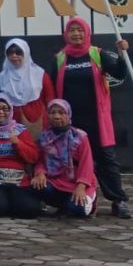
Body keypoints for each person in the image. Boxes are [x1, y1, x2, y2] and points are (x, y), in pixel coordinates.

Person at [53, 16, 130, 216]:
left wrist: (122, 54)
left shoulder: (98, 54)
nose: (76, 34)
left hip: (97, 120)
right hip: (71, 124)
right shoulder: (60, 58)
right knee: (73, 162)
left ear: (87, 32)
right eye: (72, 30)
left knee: (107, 162)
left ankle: (118, 201)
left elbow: (120, 74)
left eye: (80, 30)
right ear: (66, 35)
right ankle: (76, 199)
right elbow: (50, 87)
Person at [35, 98, 98, 217]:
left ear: (68, 115)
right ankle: (63, 205)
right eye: (52, 112)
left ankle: (90, 201)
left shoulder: (80, 137)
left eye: (61, 113)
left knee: (77, 210)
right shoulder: (44, 137)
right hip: (56, 181)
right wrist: (40, 173)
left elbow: (87, 164)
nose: (56, 116)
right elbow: (40, 160)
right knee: (39, 187)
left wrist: (81, 187)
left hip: (78, 182)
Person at [0, 37, 54, 133]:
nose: (14, 56)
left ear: (26, 53)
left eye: (19, 52)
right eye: (10, 53)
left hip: (38, 121)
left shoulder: (39, 74)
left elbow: (50, 98)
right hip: (11, 121)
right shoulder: (1, 78)